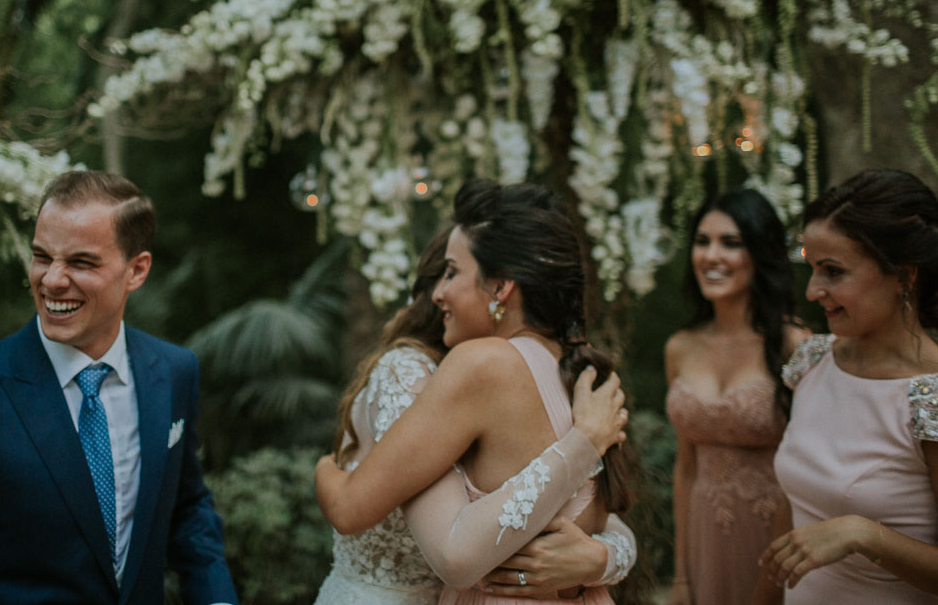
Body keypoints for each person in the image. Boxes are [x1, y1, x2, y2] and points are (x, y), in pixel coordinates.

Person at [0, 170, 237, 605]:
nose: (50, 280)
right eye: (42, 256)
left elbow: (186, 507)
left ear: (136, 270)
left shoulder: (175, 370)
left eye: (80, 262)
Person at [315, 178, 634, 603]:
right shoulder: (583, 371)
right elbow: (604, 517)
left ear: (500, 288)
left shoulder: (482, 364)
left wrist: (323, 469)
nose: (438, 292)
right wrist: (606, 558)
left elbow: (441, 550)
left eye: (452, 272)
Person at [760, 168, 938, 602]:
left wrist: (862, 533)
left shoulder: (931, 397)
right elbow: (792, 515)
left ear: (905, 276)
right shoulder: (813, 361)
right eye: (812, 268)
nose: (813, 291)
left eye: (833, 272)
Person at [664, 189, 807, 605]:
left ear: (759, 253)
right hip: (703, 534)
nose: (711, 256)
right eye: (702, 241)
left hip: (775, 540)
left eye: (731, 243)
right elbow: (685, 466)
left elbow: (811, 465)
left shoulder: (793, 344)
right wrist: (681, 577)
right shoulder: (681, 346)